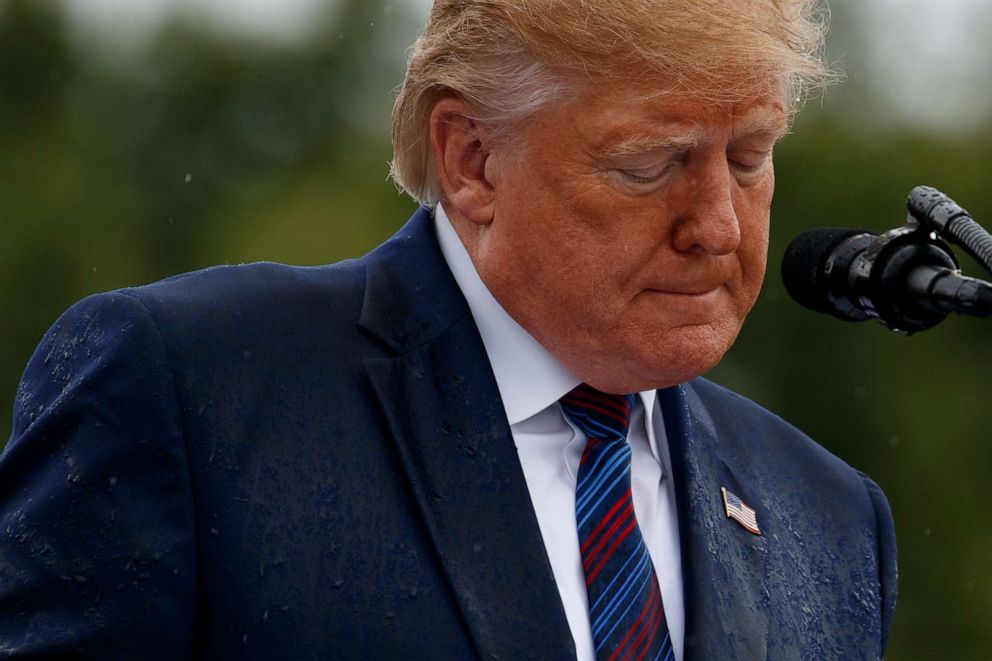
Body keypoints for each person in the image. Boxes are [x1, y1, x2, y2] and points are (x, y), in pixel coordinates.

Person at [0, 1, 896, 659]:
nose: (719, 226)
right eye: (650, 163)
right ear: (472, 160)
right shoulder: (188, 392)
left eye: (748, 159)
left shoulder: (829, 515)